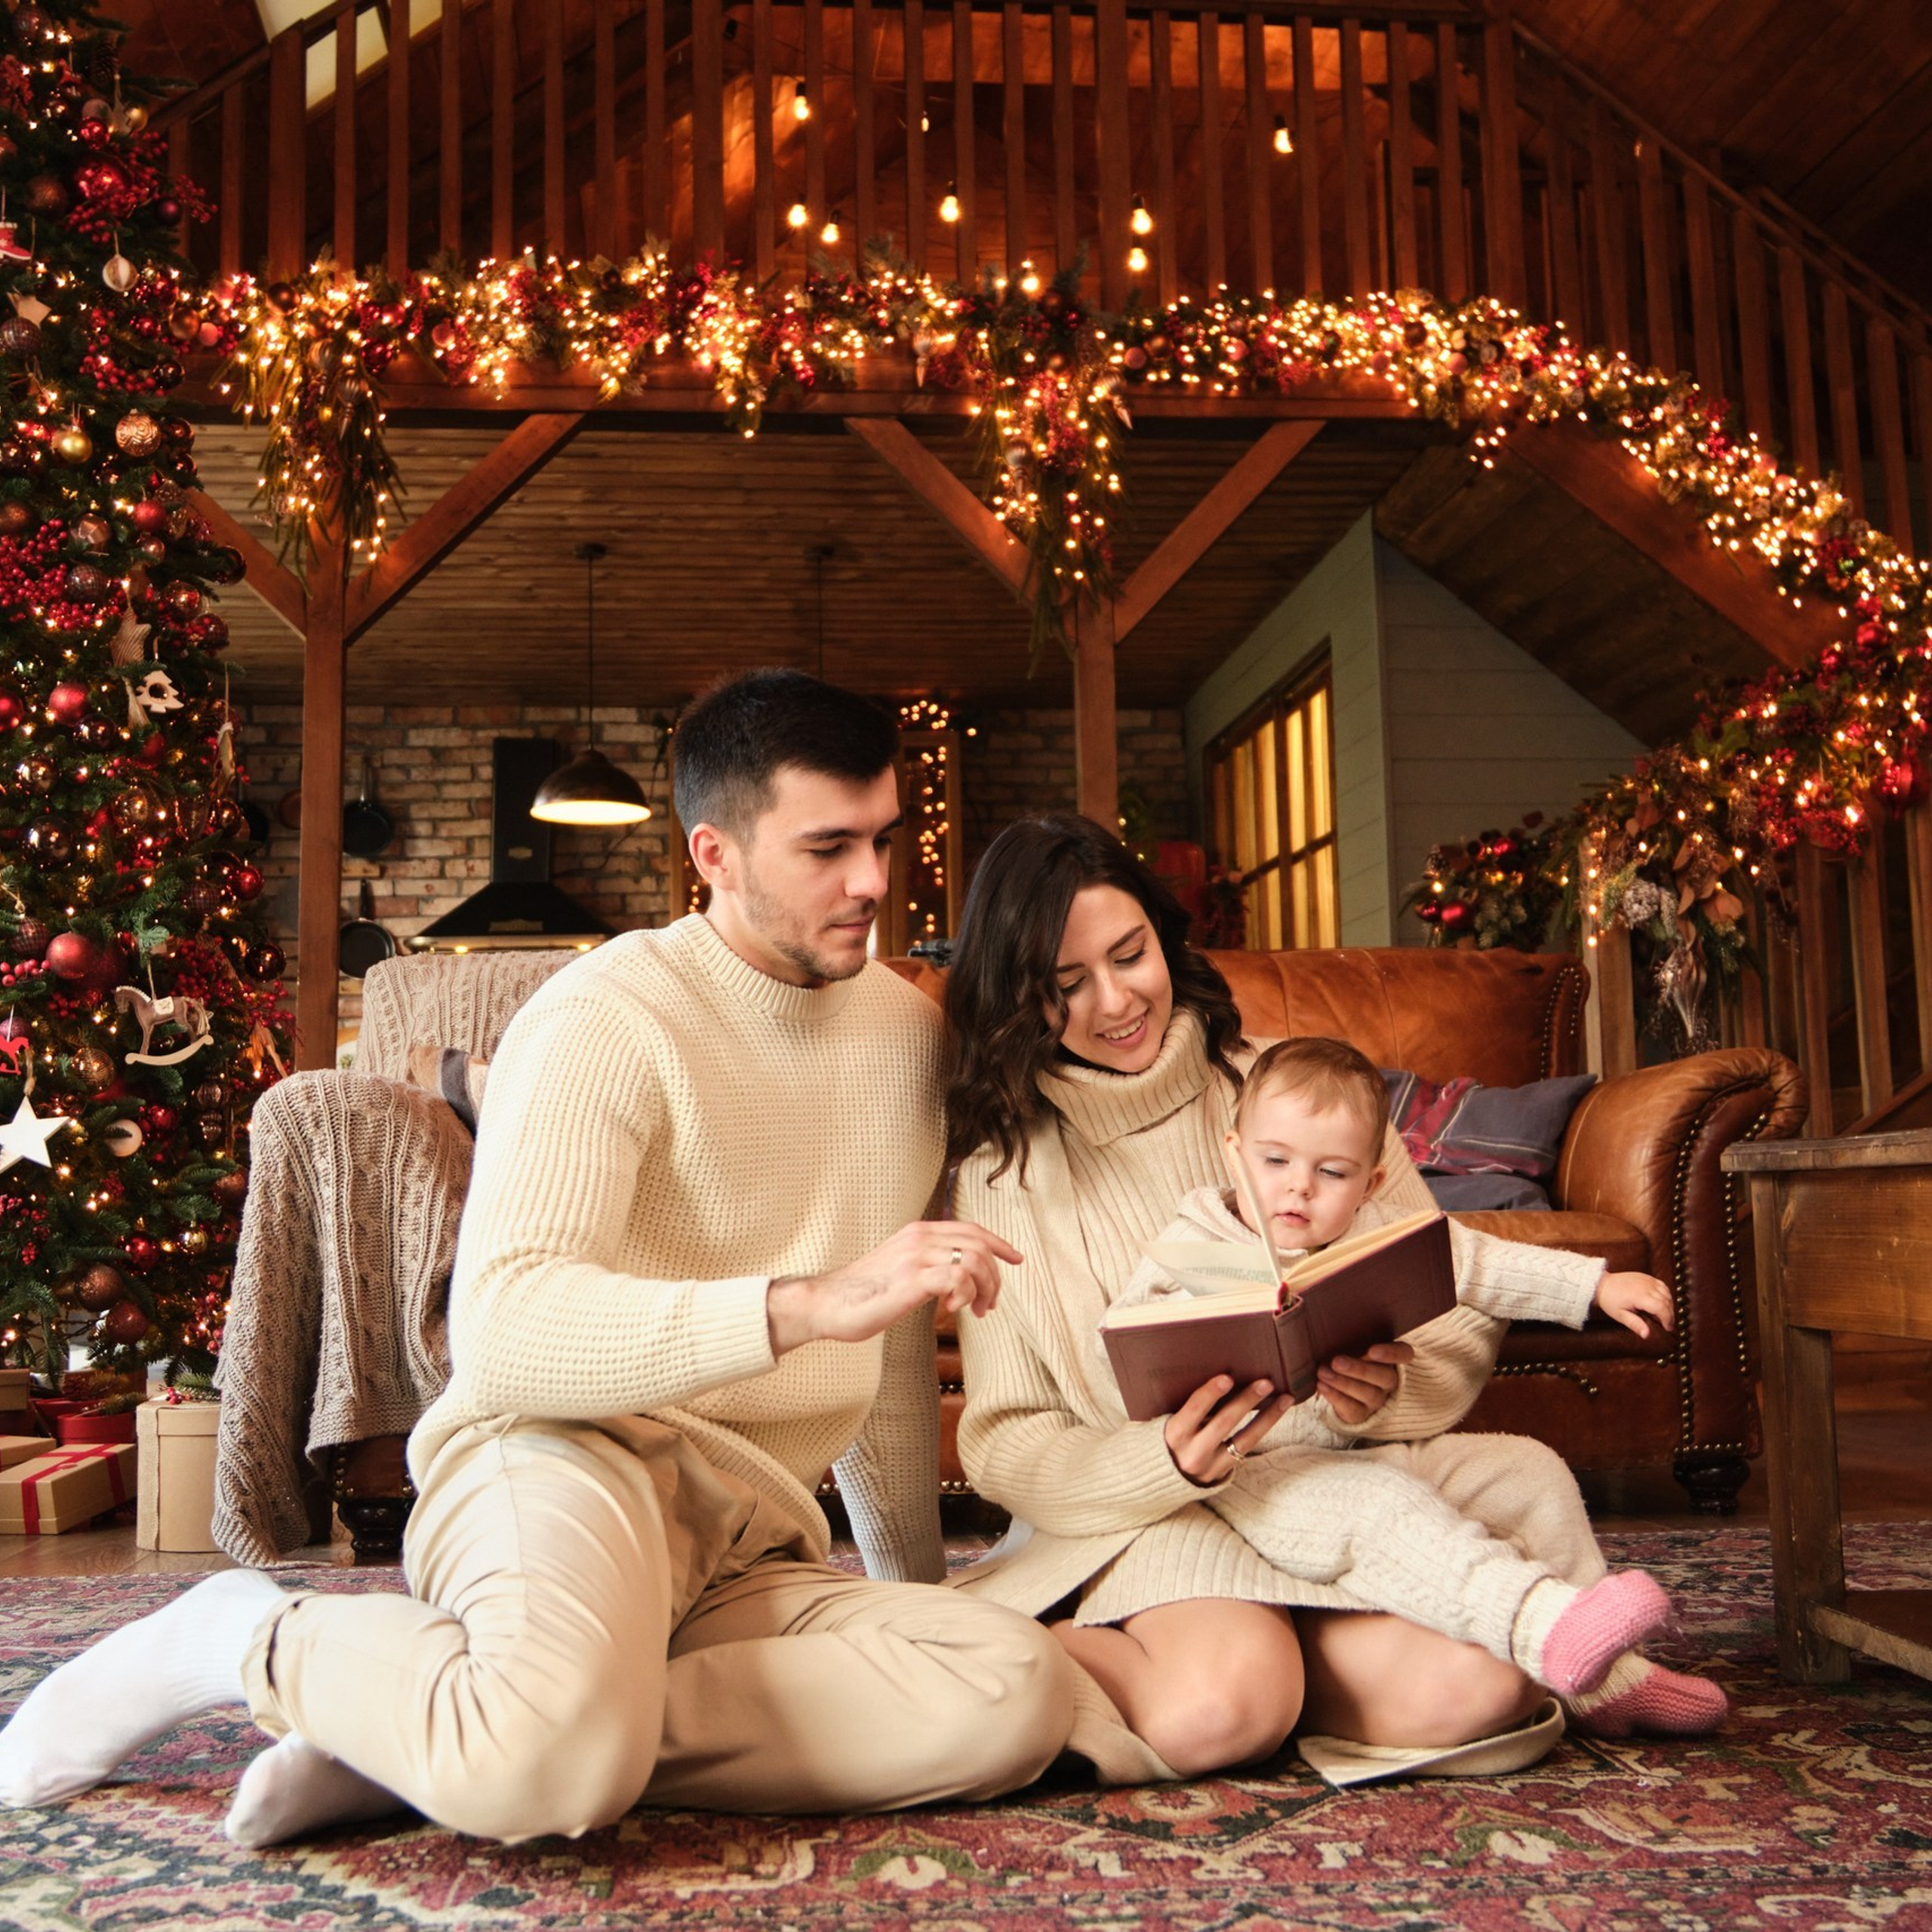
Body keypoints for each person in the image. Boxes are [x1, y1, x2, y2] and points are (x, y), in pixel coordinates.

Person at [0, 670, 1075, 1844]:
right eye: (829, 847)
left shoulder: (908, 1036)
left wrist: (906, 1593)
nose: (873, 882)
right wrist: (803, 1304)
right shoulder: (605, 1017)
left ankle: (439, 1726)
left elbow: (891, 1361)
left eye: (882, 839)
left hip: (750, 1537)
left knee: (1011, 1694)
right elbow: (507, 1331)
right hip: (564, 1458)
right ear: (713, 854)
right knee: (552, 1765)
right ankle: (241, 1634)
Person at [942, 814, 1722, 1783]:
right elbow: (1004, 1439)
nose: (1114, 1002)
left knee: (1480, 1690)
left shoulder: (1298, 1091)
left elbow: (1442, 1282)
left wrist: (1386, 1392)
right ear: (1019, 998)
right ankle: (1061, 1661)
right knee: (1224, 1706)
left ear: (1162, 936)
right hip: (1152, 1522)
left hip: (1343, 1477)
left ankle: (1588, 1668)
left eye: (1129, 954)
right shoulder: (1003, 1169)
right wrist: (1162, 1460)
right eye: (1065, 986)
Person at [1112, 1033, 1727, 1720]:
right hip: (1252, 1482)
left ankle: (1613, 1683)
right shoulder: (1190, 1238)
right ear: (1234, 1152)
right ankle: (1544, 1626)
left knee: (1532, 1470)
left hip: (1361, 1445)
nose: (1298, 1186)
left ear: (1371, 1181)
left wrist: (1595, 1286)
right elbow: (1126, 1344)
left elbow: (1485, 1263)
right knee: (1380, 1505)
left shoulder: (1377, 1228)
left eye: (1333, 1173)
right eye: (1275, 1159)